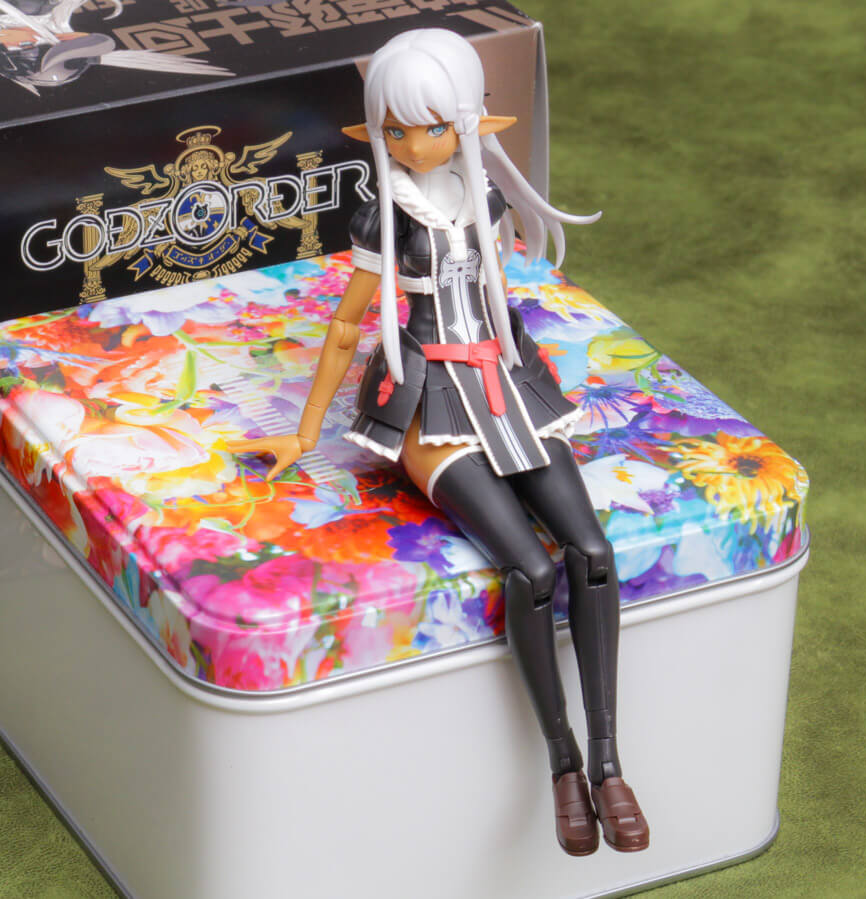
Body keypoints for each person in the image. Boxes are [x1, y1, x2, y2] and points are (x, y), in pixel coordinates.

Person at [230, 29, 649, 856]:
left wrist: (532, 375)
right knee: (531, 569)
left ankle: (610, 763)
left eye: (427, 127)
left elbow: (498, 301)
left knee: (593, 552)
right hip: (427, 400)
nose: (411, 145)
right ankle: (563, 764)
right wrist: (307, 434)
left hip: (506, 383)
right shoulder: (385, 215)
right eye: (394, 129)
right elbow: (347, 325)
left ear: (463, 121)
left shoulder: (484, 198)